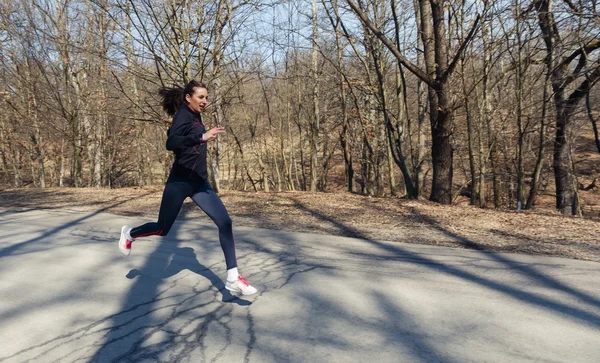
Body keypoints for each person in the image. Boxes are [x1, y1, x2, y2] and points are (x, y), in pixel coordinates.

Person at [118, 80, 257, 296]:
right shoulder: (183, 115)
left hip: (200, 183)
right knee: (162, 228)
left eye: (206, 97)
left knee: (225, 222)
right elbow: (171, 142)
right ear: (188, 98)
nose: (205, 101)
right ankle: (130, 233)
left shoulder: (194, 114)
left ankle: (233, 277)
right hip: (180, 182)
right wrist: (201, 136)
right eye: (201, 97)